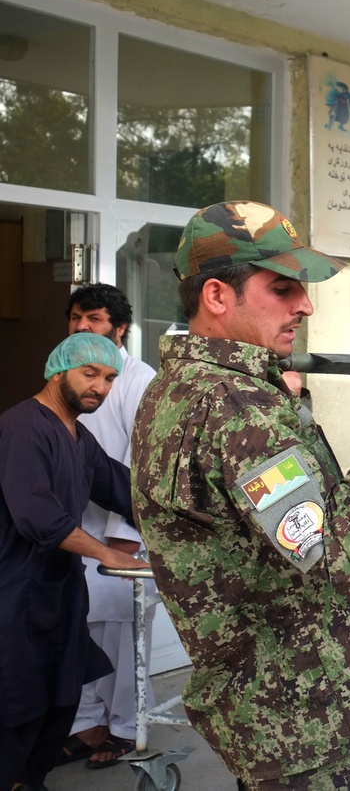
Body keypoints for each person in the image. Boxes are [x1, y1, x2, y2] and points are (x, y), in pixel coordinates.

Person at [130, 201, 350, 790]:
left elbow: (249, 513)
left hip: (285, 721)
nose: (304, 305)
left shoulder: (179, 389)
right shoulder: (236, 405)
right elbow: (335, 558)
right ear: (216, 297)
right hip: (326, 730)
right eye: (282, 289)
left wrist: (291, 408)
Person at [0, 334, 143, 790]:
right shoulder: (23, 428)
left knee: (60, 701)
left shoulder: (78, 437)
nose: (100, 387)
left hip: (60, 594)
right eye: (90, 374)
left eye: (109, 379)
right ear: (56, 370)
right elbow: (38, 517)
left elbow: (123, 489)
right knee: (17, 707)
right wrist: (108, 552)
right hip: (15, 594)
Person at [61, 284, 159, 769]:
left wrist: (126, 533)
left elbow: (141, 462)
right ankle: (88, 725)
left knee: (125, 633)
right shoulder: (68, 377)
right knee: (82, 631)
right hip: (76, 533)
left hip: (123, 533)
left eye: (95, 318)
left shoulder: (138, 379)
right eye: (76, 317)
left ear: (120, 328)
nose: (82, 327)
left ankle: (125, 728)